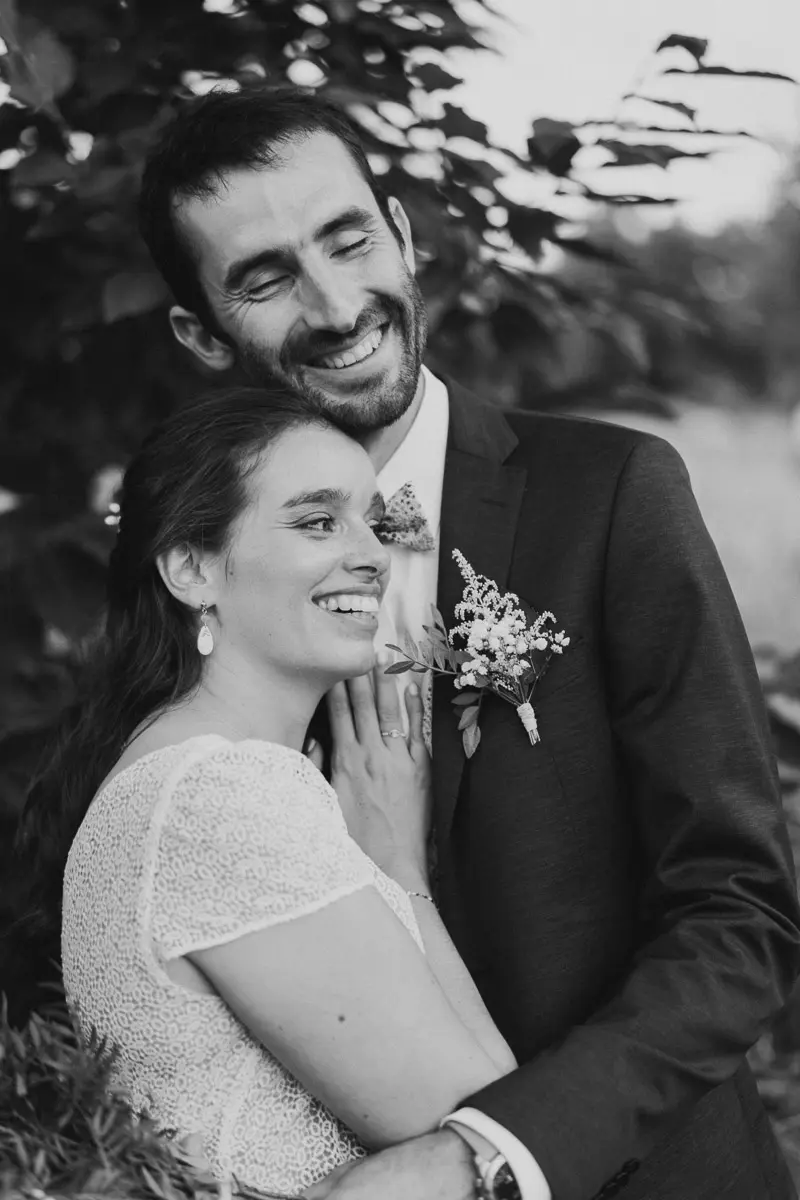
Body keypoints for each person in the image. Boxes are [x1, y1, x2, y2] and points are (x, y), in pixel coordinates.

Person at [136, 85, 800, 1200]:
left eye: (348, 239)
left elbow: (741, 911)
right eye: (265, 278)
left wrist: (490, 1151)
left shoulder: (612, 495)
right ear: (200, 334)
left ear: (401, 235)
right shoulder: (198, 572)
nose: (336, 304)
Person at [24, 386, 518, 1197]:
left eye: (374, 521)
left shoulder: (183, 772)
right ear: (191, 569)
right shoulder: (220, 794)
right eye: (318, 521)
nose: (372, 554)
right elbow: (493, 1129)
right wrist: (398, 865)